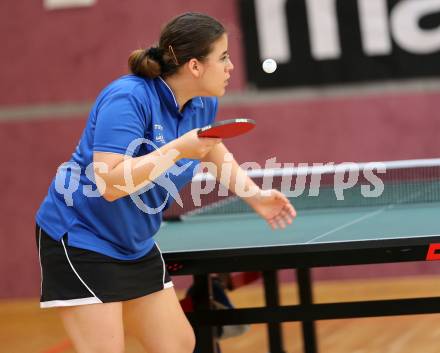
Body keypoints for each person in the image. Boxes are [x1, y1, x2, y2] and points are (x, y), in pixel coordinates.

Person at [35, 12, 296, 353]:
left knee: (177, 344)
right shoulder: (129, 98)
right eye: (223, 57)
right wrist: (177, 149)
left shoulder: (202, 103)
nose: (231, 66)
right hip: (83, 235)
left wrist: (255, 196)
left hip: (134, 239)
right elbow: (110, 184)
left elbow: (210, 147)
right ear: (194, 66)